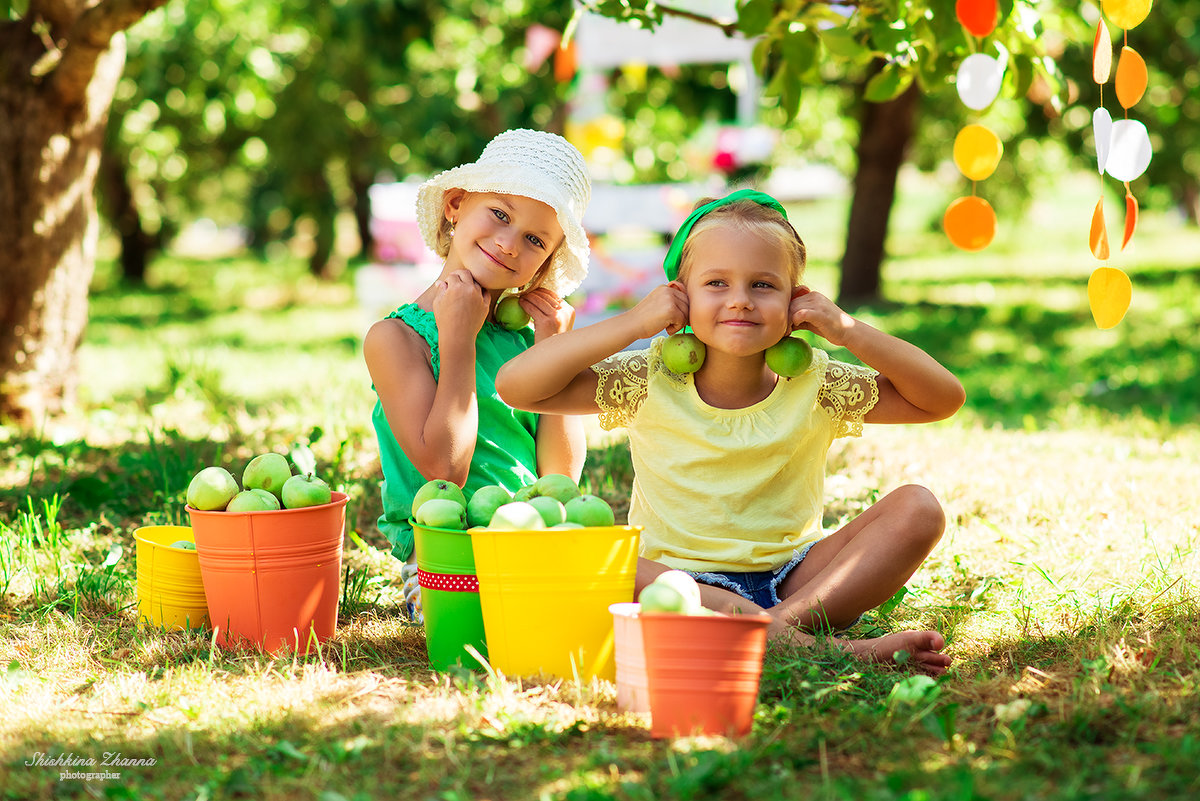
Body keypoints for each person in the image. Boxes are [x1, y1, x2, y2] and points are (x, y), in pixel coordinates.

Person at [496, 189, 965, 674]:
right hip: (676, 583)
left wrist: (848, 331)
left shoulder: (817, 384)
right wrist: (635, 323)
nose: (740, 301)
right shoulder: (646, 380)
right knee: (582, 551)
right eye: (716, 283)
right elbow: (515, 387)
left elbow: (942, 398)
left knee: (919, 509)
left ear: (796, 301)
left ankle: (767, 632)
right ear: (681, 297)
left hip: (799, 583)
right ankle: (812, 649)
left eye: (763, 285)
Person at [364, 129, 593, 622]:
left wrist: (555, 348)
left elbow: (560, 477)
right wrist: (459, 340)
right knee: (512, 619)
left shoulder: (523, 344)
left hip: (532, 539)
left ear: (545, 263)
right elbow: (444, 472)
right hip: (448, 559)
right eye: (500, 214)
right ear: (455, 205)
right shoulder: (396, 339)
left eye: (535, 239)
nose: (509, 244)